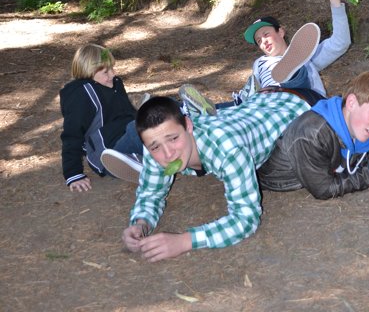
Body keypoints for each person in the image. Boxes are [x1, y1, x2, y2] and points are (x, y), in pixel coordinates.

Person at [120, 88, 314, 261]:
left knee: (276, 173)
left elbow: (246, 219)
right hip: (259, 100)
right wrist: (141, 223)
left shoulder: (228, 149)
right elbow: (150, 194)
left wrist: (184, 241)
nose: (168, 153)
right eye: (155, 147)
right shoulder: (155, 147)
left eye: (173, 139)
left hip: (300, 107)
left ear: (188, 125)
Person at [179, 0, 351, 114]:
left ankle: (290, 73)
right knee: (242, 106)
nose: (263, 41)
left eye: (266, 34)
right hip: (270, 105)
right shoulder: (260, 63)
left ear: (281, 32)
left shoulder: (306, 55)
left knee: (296, 74)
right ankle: (204, 111)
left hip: (304, 100)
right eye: (259, 40)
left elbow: (340, 43)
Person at [257, 71, 369, 198]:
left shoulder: (356, 125)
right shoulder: (311, 136)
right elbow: (323, 189)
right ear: (351, 103)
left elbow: (357, 162)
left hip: (335, 136)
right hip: (287, 165)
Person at [59, 43, 145, 191]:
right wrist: (73, 173)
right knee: (137, 127)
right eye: (106, 72)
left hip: (128, 135)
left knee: (157, 111)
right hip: (107, 151)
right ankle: (137, 162)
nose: (112, 74)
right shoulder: (82, 94)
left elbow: (128, 112)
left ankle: (152, 156)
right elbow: (72, 134)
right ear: (88, 72)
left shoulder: (115, 83)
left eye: (112, 68)